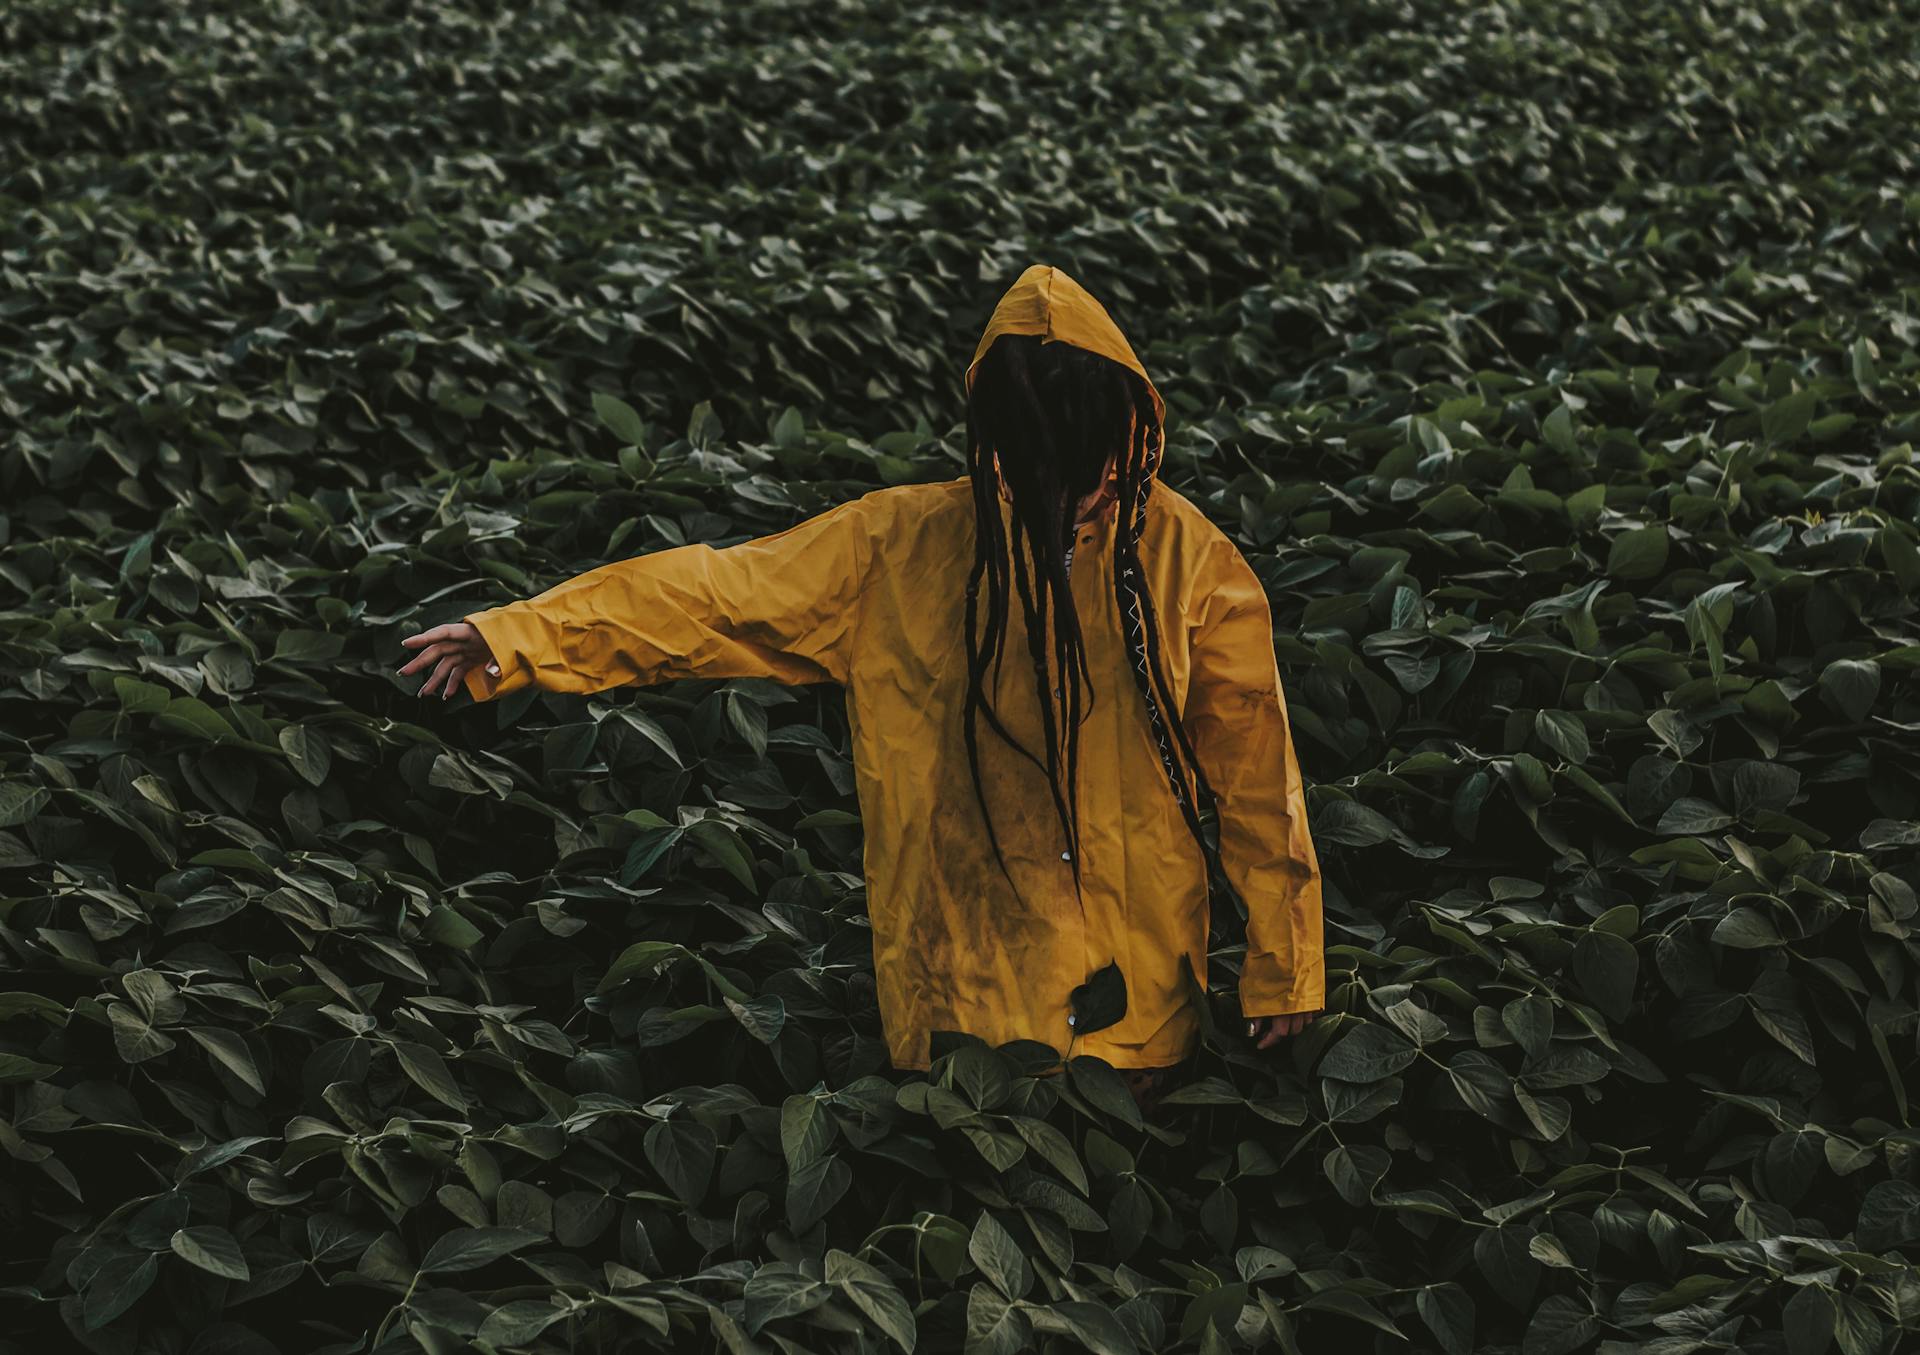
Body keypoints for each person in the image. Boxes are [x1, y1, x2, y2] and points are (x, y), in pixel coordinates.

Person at [399, 264, 1325, 1112]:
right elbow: (717, 596)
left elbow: (1256, 775)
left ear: (1126, 429)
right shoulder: (902, 547)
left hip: (1141, 1023)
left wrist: (1286, 966)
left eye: (1086, 468)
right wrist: (516, 634)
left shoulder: (1190, 562)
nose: (1071, 494)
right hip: (958, 1010)